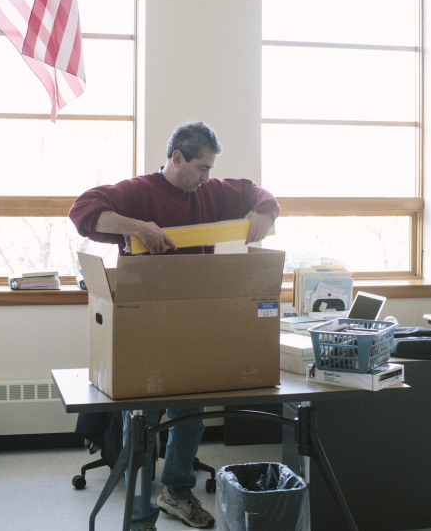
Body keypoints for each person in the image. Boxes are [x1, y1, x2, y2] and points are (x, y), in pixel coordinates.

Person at [69, 121, 280, 530]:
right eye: (201, 167)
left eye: (211, 169)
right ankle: (138, 501)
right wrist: (139, 227)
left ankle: (177, 493)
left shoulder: (211, 192)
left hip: (193, 324)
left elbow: (257, 192)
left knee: (191, 418)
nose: (206, 177)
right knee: (143, 422)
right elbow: (82, 210)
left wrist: (264, 212)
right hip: (143, 326)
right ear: (177, 158)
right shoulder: (139, 191)